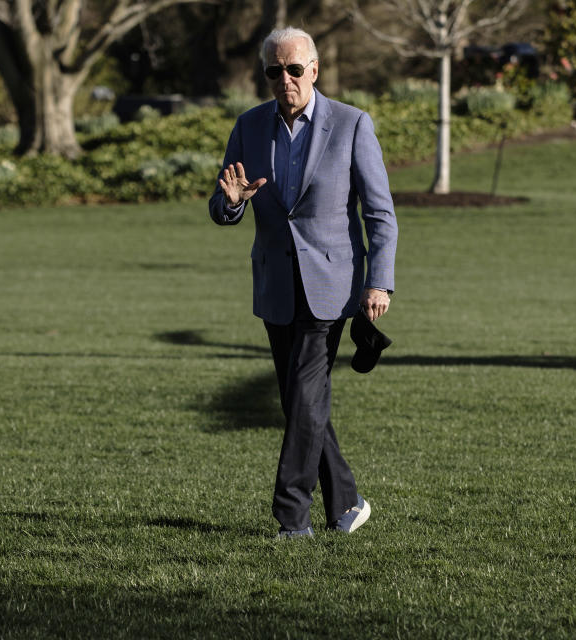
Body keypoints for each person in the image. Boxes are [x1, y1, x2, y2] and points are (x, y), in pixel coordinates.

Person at [208, 26, 398, 539]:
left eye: (294, 69)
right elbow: (221, 202)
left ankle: (292, 515)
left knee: (307, 389)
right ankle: (347, 499)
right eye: (275, 70)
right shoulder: (248, 127)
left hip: (332, 285)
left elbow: (380, 213)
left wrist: (379, 282)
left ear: (314, 70)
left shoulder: (353, 124)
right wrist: (232, 202)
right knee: (299, 398)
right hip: (275, 282)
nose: (285, 79)